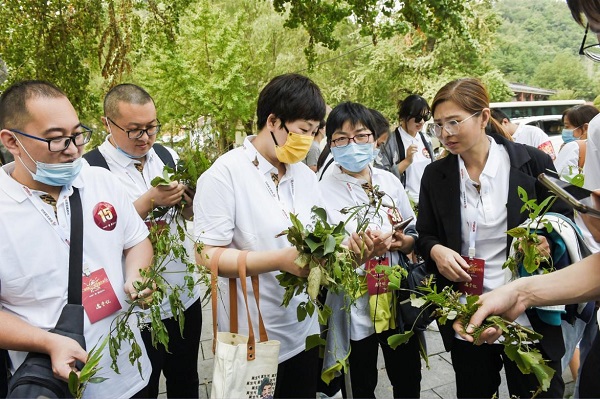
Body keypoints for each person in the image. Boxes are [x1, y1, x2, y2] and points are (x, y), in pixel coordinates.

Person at [193, 74, 378, 398]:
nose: (309, 140)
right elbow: (206, 254)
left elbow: (320, 240)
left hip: (302, 332)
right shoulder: (225, 175)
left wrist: (348, 251)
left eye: (313, 132)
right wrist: (279, 260)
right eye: (303, 130)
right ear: (273, 121)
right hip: (251, 339)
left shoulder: (303, 177)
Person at [416, 78, 571, 398]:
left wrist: (545, 239)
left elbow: (564, 219)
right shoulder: (436, 175)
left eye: (455, 122)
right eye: (439, 125)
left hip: (529, 310)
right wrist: (437, 251)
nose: (446, 133)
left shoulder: (533, 162)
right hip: (466, 312)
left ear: (484, 118)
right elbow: (425, 234)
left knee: (538, 391)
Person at [0, 80, 154, 398]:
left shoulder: (101, 182)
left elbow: (136, 240)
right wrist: (47, 342)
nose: (72, 149)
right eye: (56, 140)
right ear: (12, 141)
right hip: (56, 384)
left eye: (77, 134)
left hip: (130, 371)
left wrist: (137, 274)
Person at [83, 84, 202, 398]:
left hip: (182, 294)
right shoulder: (91, 170)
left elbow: (186, 218)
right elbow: (93, 235)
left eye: (151, 127)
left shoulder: (166, 155)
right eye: (134, 130)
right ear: (107, 123)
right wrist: (148, 200)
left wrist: (188, 203)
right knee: (143, 386)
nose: (146, 138)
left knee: (186, 380)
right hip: (133, 307)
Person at [319, 101, 421, 398]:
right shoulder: (321, 189)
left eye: (361, 136)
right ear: (331, 144)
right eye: (341, 138)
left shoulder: (389, 180)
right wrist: (353, 252)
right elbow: (321, 257)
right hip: (355, 304)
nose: (352, 144)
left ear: (375, 139)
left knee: (407, 377)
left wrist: (405, 241)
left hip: (396, 297)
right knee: (361, 383)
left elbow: (411, 229)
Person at [374, 94, 434, 205]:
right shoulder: (388, 142)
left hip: (428, 202)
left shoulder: (426, 139)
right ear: (404, 117)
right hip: (404, 204)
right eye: (417, 118)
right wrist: (406, 161)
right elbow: (381, 178)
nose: (421, 122)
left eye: (426, 117)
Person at [490, 109, 556, 160]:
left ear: (505, 122)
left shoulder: (534, 133)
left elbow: (550, 159)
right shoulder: (495, 142)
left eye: (496, 131)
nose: (496, 135)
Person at [554, 105, 599, 180]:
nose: (564, 130)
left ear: (585, 128)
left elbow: (560, 183)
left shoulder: (574, 147)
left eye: (567, 126)